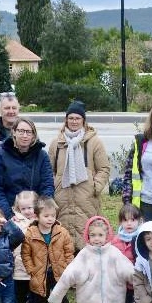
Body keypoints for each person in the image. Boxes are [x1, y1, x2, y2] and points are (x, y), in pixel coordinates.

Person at [48, 216, 135, 303]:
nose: (96, 238)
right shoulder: (84, 254)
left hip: (111, 296)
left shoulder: (113, 253)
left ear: (107, 235)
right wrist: (56, 296)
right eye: (93, 235)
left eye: (100, 235)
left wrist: (143, 286)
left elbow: (129, 271)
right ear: (87, 236)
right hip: (91, 298)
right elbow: (69, 275)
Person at [50, 100, 111, 248]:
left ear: (83, 120)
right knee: (63, 240)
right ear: (66, 120)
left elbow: (104, 168)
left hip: (87, 199)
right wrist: (54, 186)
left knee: (87, 237)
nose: (74, 121)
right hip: (62, 198)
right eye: (71, 118)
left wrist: (95, 187)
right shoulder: (56, 144)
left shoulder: (94, 142)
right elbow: (49, 170)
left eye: (77, 118)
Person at [21, 197, 73, 303]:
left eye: (53, 215)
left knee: (61, 300)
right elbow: (25, 254)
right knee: (39, 302)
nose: (50, 219)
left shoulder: (62, 232)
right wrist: (31, 270)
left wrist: (68, 267)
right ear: (36, 216)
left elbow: (69, 251)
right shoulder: (30, 234)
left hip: (59, 273)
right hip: (38, 274)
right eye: (46, 216)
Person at [0, 117, 54, 219]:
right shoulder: (1, 154)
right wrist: (9, 214)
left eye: (28, 132)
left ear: (33, 135)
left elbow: (47, 185)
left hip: (35, 214)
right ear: (14, 132)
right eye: (21, 131)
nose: (25, 135)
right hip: (10, 213)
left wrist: (40, 211)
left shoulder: (42, 156)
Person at [111, 203, 142, 303]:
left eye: (133, 220)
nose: (129, 223)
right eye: (125, 220)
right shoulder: (115, 240)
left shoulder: (142, 237)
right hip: (123, 282)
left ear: (139, 221)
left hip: (139, 280)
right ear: (120, 222)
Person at [10, 190, 38, 303]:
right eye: (23, 208)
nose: (27, 211)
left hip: (37, 263)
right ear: (18, 208)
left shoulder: (41, 220)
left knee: (36, 288)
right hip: (20, 263)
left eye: (30, 208)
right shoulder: (15, 222)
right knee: (20, 289)